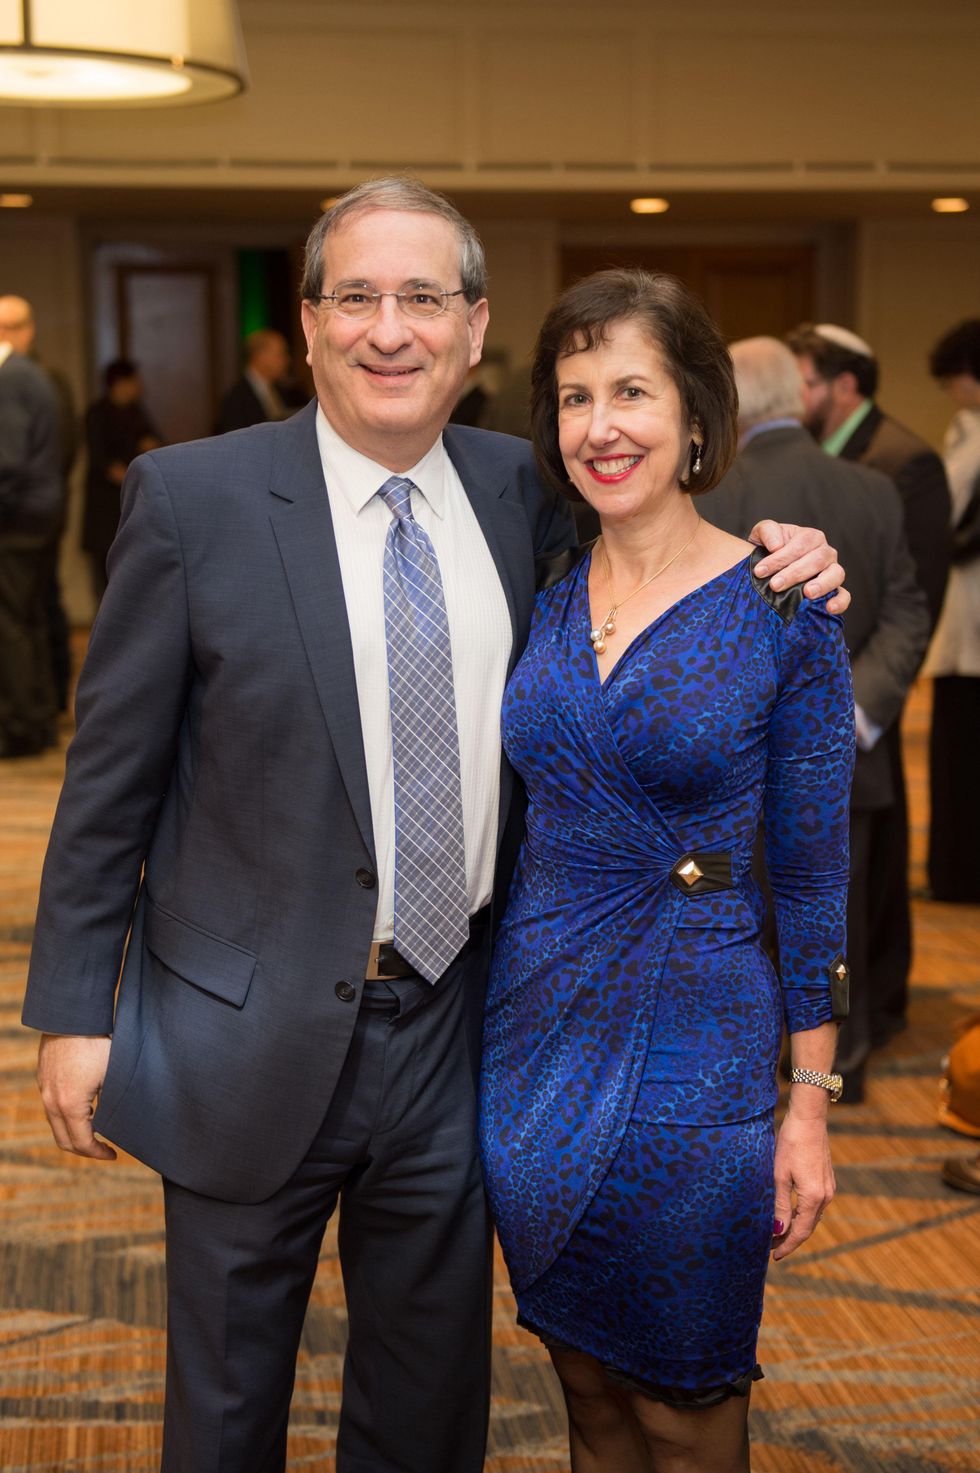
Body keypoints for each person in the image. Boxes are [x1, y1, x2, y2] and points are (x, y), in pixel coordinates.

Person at [24, 179, 847, 1473]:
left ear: (473, 331)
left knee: (426, 1406)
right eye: (356, 296)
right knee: (227, 1408)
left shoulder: (530, 488)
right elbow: (107, 783)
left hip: (465, 1035)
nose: (388, 329)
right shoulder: (193, 499)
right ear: (306, 324)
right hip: (242, 1029)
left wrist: (791, 547)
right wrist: (76, 1013)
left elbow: (675, 557)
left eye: (424, 298)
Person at [480, 274, 854, 1473]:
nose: (601, 426)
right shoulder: (541, 599)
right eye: (574, 397)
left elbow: (806, 872)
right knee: (583, 1390)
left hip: (697, 1046)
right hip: (534, 1031)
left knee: (686, 1408)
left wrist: (809, 1103)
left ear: (695, 414)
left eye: (631, 391)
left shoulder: (780, 603)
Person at [706, 337, 929, 1102]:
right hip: (856, 761)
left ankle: (759, 1073)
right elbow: (905, 612)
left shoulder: (706, 495)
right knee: (838, 916)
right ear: (797, 397)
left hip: (729, 765)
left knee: (744, 917)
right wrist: (854, 714)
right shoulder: (871, 490)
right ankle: (844, 1067)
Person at [787, 322, 951, 1044]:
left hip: (865, 711)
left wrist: (862, 705)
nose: (799, 395)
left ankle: (874, 1012)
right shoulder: (825, 452)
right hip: (816, 716)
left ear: (843, 385)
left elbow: (918, 596)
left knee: (869, 879)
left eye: (809, 381)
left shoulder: (903, 460)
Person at [922, 320, 980, 903]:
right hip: (965, 621)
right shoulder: (966, 430)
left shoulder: (973, 433)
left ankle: (960, 873)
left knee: (962, 753)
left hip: (973, 618)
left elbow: (952, 517)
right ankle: (956, 870)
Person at [0, 294, 80, 712]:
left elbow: (13, 461)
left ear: (26, 331)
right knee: (34, 610)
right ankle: (43, 709)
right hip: (43, 510)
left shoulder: (21, 377)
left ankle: (27, 719)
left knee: (20, 618)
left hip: (23, 516)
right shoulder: (41, 377)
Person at [0, 325, 62, 756]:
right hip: (37, 516)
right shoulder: (32, 372)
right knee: (28, 618)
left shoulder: (12, 377)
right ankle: (37, 721)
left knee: (11, 624)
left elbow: (8, 461)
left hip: (17, 520)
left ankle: (20, 728)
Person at [82, 359, 162, 601]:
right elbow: (102, 462)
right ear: (120, 383)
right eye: (135, 381)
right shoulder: (97, 414)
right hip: (105, 508)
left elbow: (156, 443)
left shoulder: (137, 412)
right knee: (105, 577)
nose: (140, 386)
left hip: (133, 504)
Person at [215, 328, 294, 433]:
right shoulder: (235, 398)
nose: (287, 360)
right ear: (261, 357)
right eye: (280, 354)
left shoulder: (282, 391)